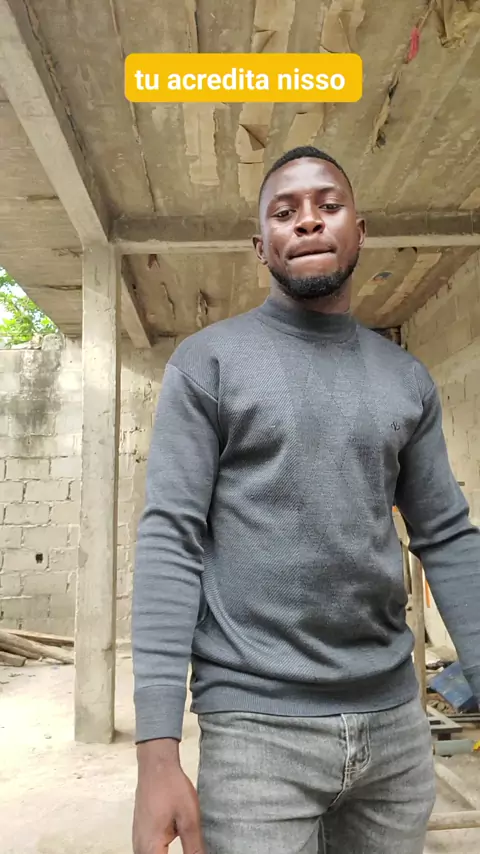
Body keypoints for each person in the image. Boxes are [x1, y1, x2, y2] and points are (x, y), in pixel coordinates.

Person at [131, 145, 480, 854]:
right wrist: (157, 752)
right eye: (284, 212)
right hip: (256, 734)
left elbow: (445, 536)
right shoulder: (208, 364)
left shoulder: (406, 379)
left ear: (360, 230)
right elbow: (170, 541)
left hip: (395, 730)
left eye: (329, 205)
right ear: (261, 246)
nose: (309, 221)